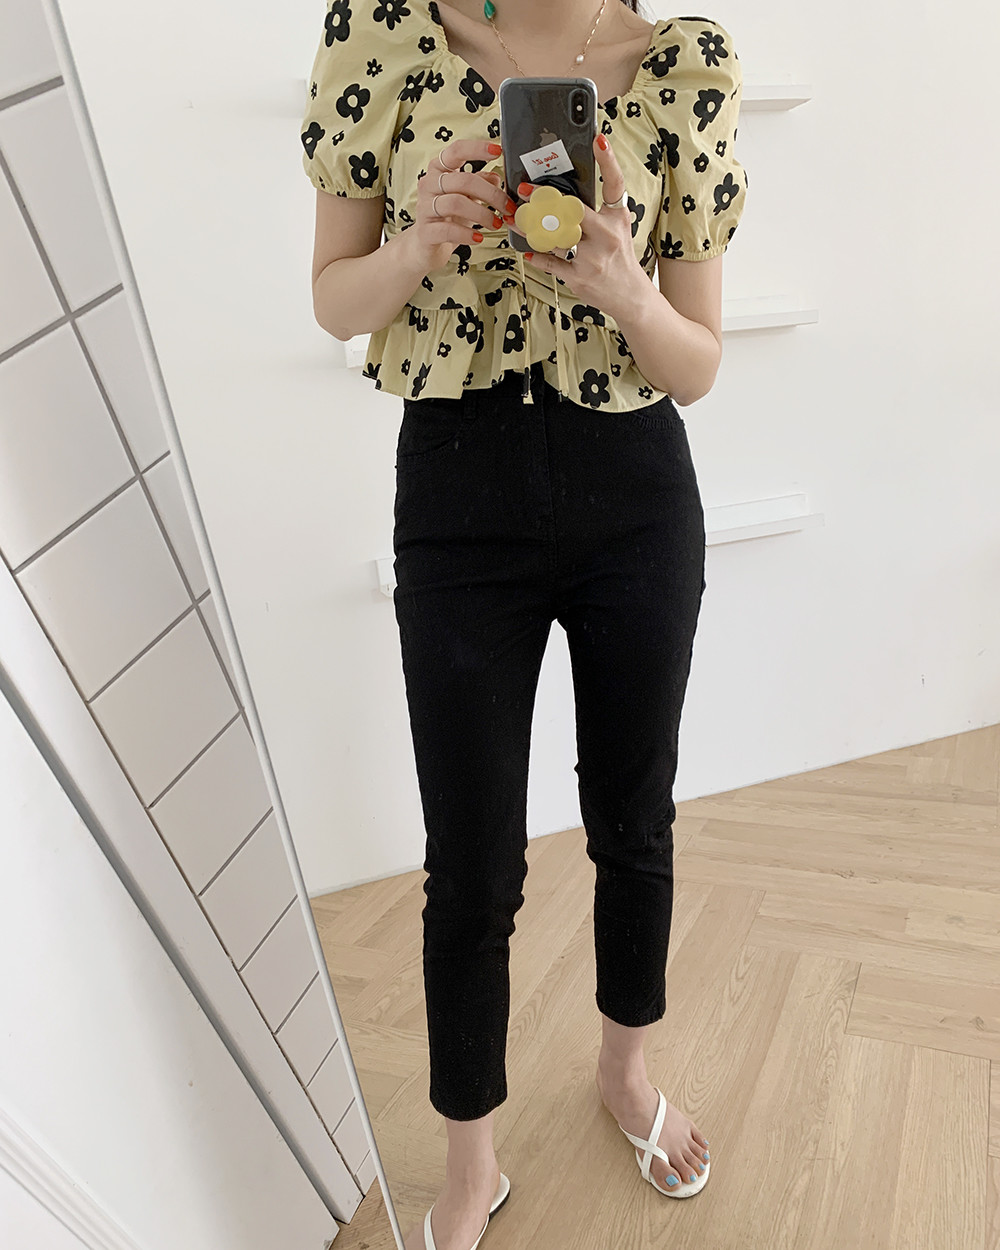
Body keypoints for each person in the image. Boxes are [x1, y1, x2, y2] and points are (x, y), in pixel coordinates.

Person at [301, 0, 747, 1245]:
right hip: (458, 492)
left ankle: (625, 1073)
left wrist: (625, 289)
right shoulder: (380, 34)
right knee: (470, 859)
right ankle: (469, 1163)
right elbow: (335, 301)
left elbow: (698, 361)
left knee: (634, 816)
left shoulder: (683, 63)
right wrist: (415, 245)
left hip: (633, 494)